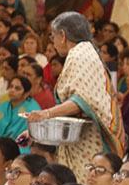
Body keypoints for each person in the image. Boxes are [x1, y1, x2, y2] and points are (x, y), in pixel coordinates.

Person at [25, 13, 123, 173]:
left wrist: (46, 114)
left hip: (89, 141)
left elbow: (80, 101)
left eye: (53, 36)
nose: (53, 42)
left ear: (62, 36)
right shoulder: (84, 52)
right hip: (80, 138)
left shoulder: (79, 55)